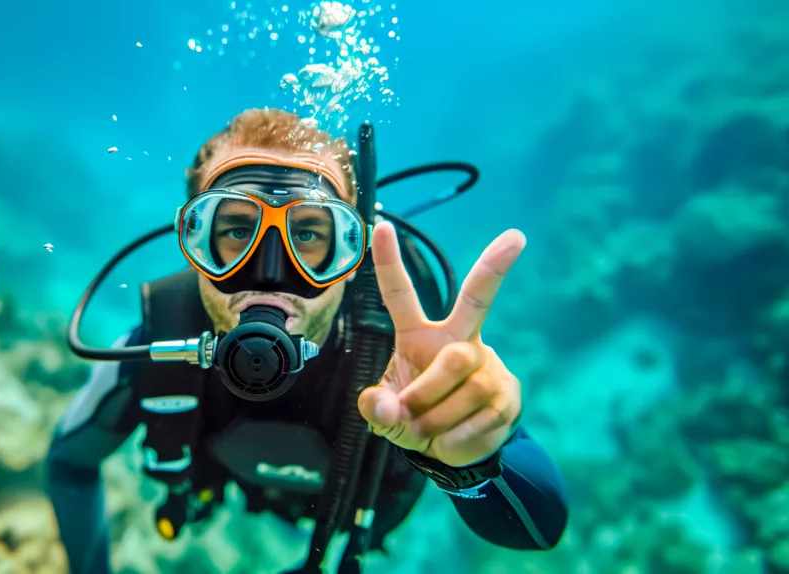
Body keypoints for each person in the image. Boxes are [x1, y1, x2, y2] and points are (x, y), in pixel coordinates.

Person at [47, 108, 569, 574]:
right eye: (235, 229)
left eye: (310, 235)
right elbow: (69, 462)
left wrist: (475, 460)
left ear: (353, 256)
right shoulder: (160, 345)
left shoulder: (409, 364)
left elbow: (537, 532)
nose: (270, 275)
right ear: (193, 244)